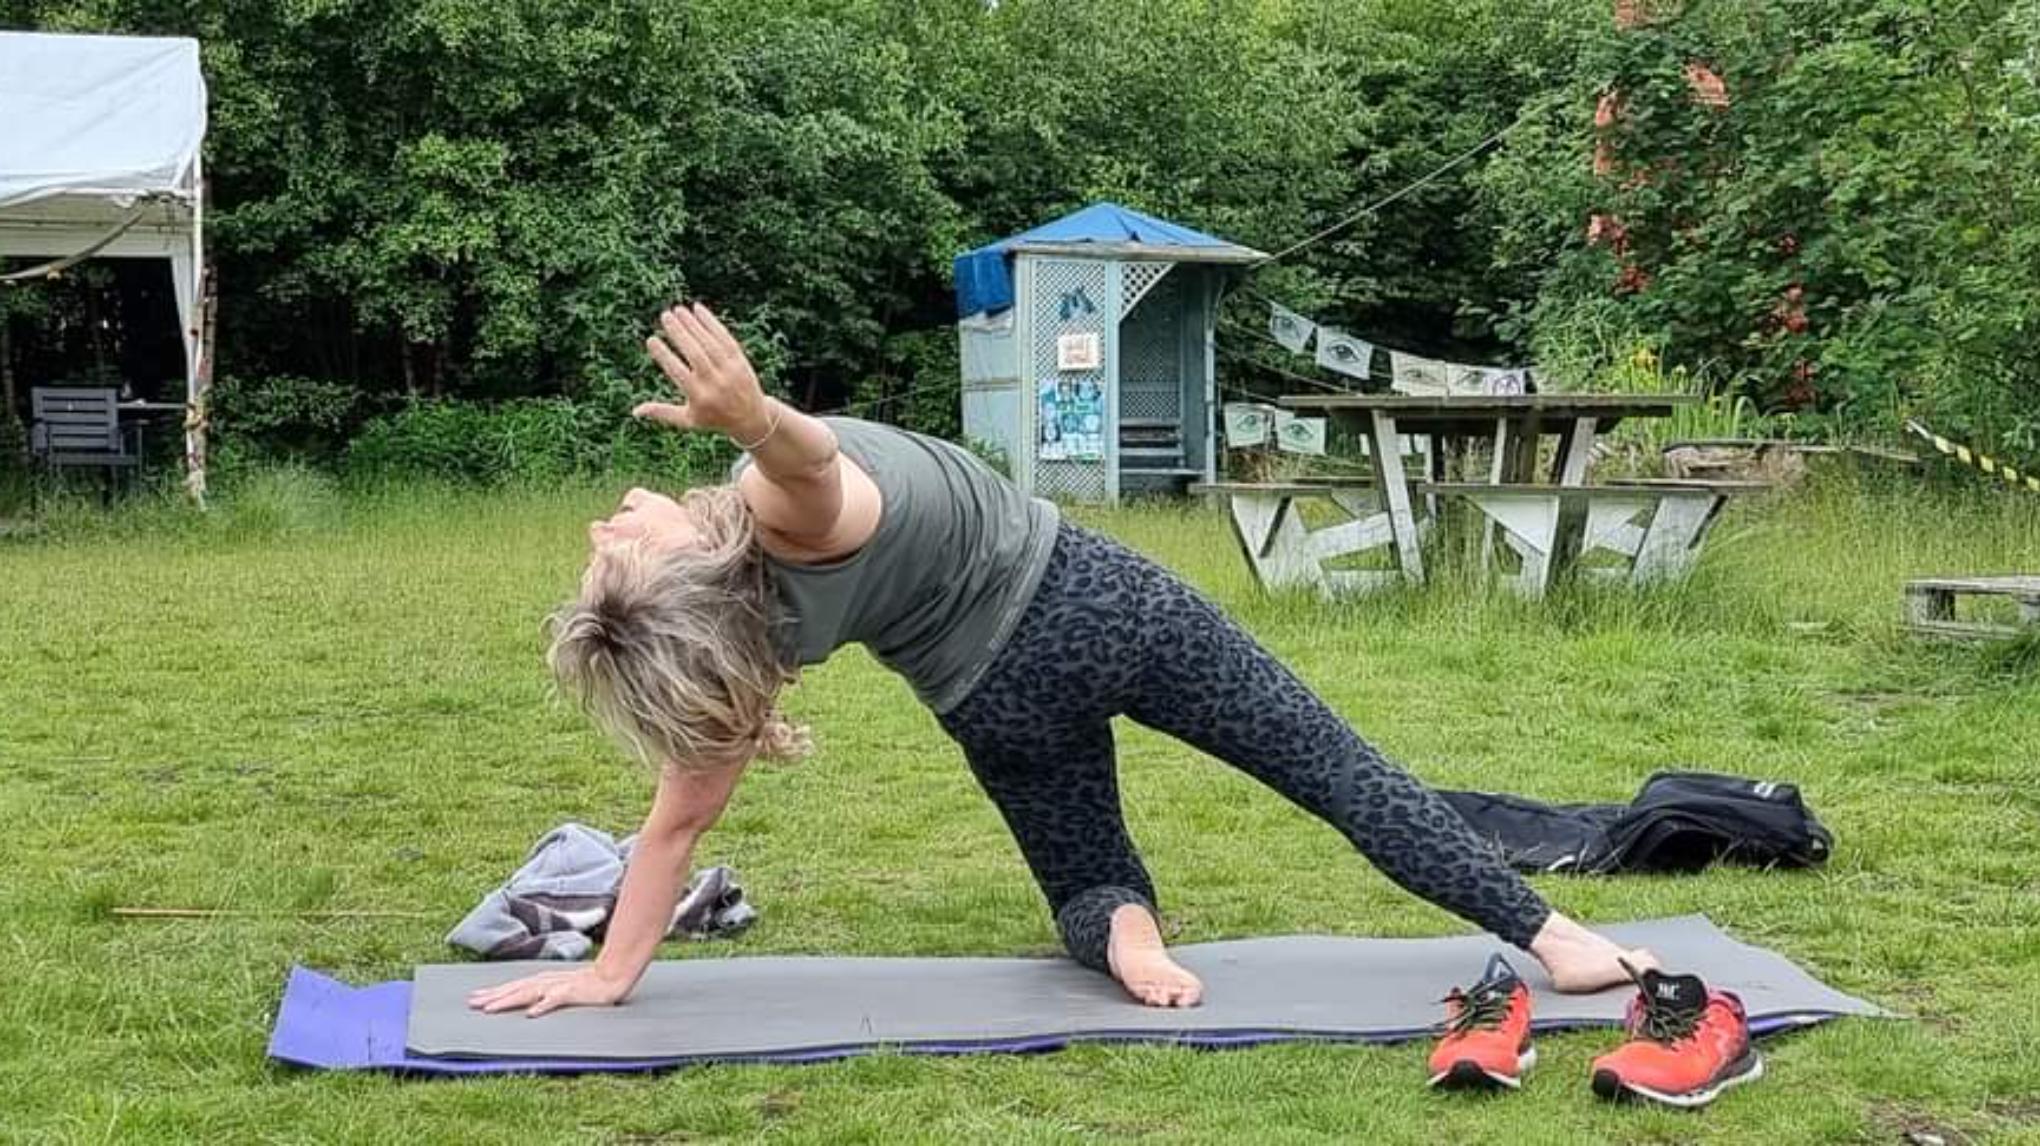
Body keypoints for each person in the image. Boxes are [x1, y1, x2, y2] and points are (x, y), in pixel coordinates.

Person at [468, 303, 1657, 1019]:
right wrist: (752, 418)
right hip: (1095, 603)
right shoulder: (777, 520)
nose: (603, 524)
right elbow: (813, 467)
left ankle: (1125, 931)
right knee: (1331, 767)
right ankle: (1550, 937)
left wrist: (612, 979)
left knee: (1085, 876)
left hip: (992, 698)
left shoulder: (753, 647)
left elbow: (673, 831)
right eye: (614, 551)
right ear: (677, 574)